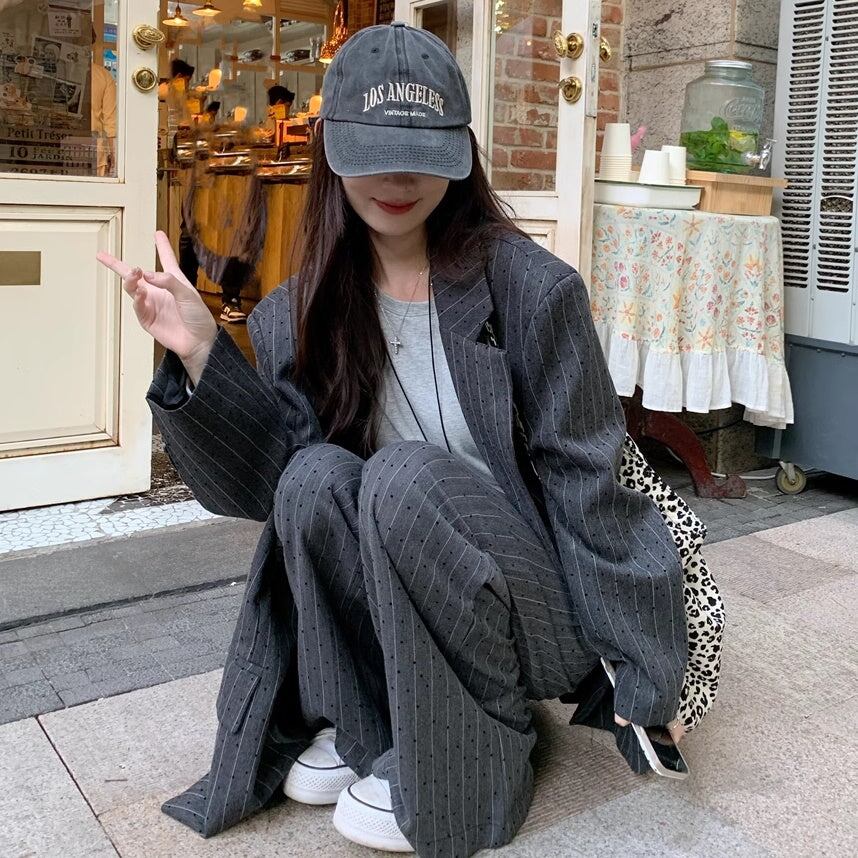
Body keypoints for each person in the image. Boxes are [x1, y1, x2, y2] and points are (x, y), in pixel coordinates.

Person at [96, 23, 689, 858]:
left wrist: (644, 675)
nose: (396, 181)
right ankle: (374, 724)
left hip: (531, 606)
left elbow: (590, 483)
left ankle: (478, 750)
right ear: (332, 153)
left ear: (460, 153)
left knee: (405, 473)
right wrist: (200, 352)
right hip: (405, 596)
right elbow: (275, 493)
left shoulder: (533, 291)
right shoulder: (299, 311)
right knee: (314, 477)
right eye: (373, 154)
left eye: (421, 155)